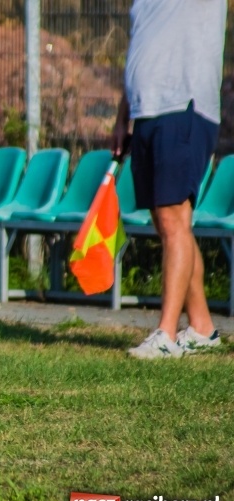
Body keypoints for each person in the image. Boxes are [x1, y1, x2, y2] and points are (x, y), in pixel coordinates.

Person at [112, 0, 226, 359]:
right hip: (147, 110)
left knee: (173, 219)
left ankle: (166, 334)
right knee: (168, 224)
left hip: (184, 106)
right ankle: (203, 327)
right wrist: (122, 117)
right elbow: (141, 50)